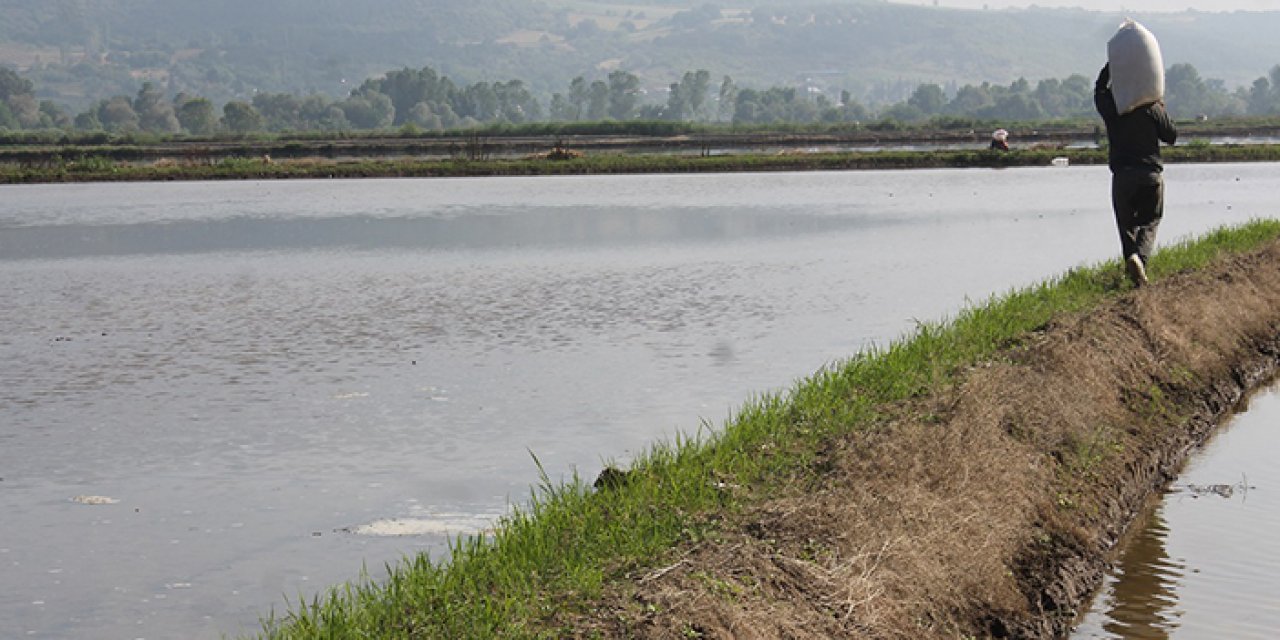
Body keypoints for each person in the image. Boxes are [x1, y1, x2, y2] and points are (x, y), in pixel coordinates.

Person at [1094, 63, 1177, 287]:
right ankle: (1140, 259)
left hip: (1123, 176)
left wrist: (1112, 66)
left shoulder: (1113, 109)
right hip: (1150, 175)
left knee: (1126, 224)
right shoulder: (1151, 108)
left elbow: (1099, 91)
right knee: (1150, 221)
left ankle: (1131, 256)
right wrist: (1160, 107)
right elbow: (1171, 136)